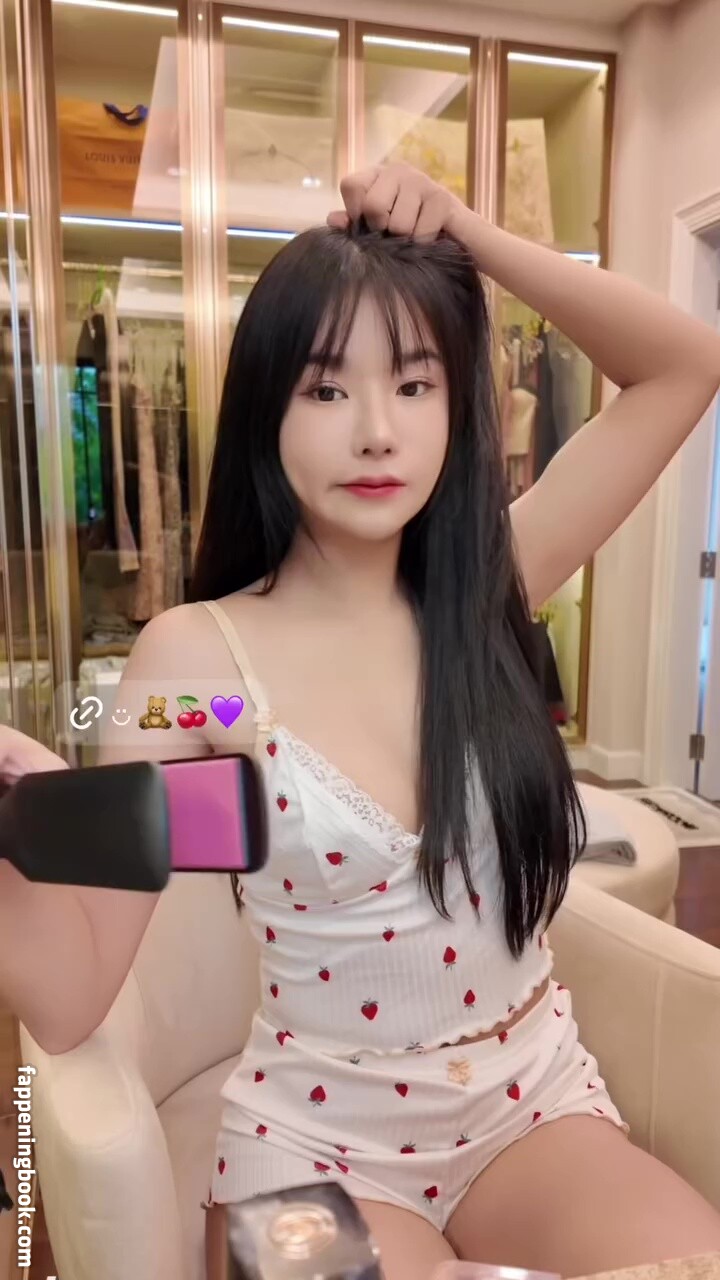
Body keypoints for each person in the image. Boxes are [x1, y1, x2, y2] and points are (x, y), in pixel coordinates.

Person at [2, 163, 720, 1280]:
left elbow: (685, 364)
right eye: (328, 390)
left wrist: (471, 238)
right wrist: (25, 834)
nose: (379, 432)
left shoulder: (490, 589)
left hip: (531, 1104)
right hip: (311, 1146)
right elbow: (73, 991)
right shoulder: (200, 667)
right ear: (266, 409)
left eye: (416, 383)